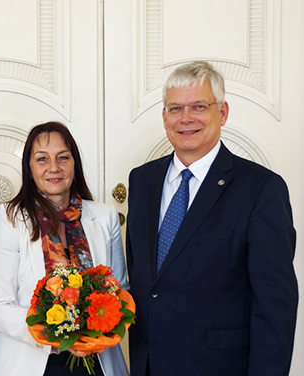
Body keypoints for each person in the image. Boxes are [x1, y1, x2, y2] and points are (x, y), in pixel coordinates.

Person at [126, 61, 298, 376]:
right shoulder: (142, 180)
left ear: (223, 112)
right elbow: (143, 276)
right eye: (175, 108)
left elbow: (275, 306)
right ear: (164, 117)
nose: (186, 118)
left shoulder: (261, 188)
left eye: (199, 106)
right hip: (147, 365)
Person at [0, 122, 129, 376]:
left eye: (63, 158)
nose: (54, 168)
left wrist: (93, 336)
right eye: (42, 159)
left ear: (74, 164)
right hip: (30, 359)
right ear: (30, 167)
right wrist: (60, 335)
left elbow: (120, 293)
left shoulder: (105, 216)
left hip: (96, 358)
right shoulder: (9, 218)